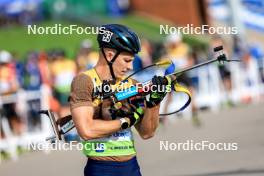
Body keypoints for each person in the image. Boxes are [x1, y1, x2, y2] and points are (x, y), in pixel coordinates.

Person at [69, 24, 171, 176]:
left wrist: (154, 103)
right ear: (110, 55)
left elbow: (147, 133)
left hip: (131, 167)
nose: (130, 67)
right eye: (126, 60)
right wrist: (125, 122)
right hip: (101, 168)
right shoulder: (85, 81)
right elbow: (86, 130)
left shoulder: (132, 84)